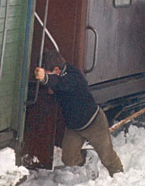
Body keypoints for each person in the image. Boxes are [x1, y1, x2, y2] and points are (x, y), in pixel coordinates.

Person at [35, 48, 123, 177]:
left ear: (57, 70)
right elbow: (58, 84)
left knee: (107, 156)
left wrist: (47, 79)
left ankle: (119, 175)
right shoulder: (58, 78)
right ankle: (88, 157)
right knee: (68, 159)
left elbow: (64, 84)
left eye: (48, 73)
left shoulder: (73, 76)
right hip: (74, 127)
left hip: (94, 123)